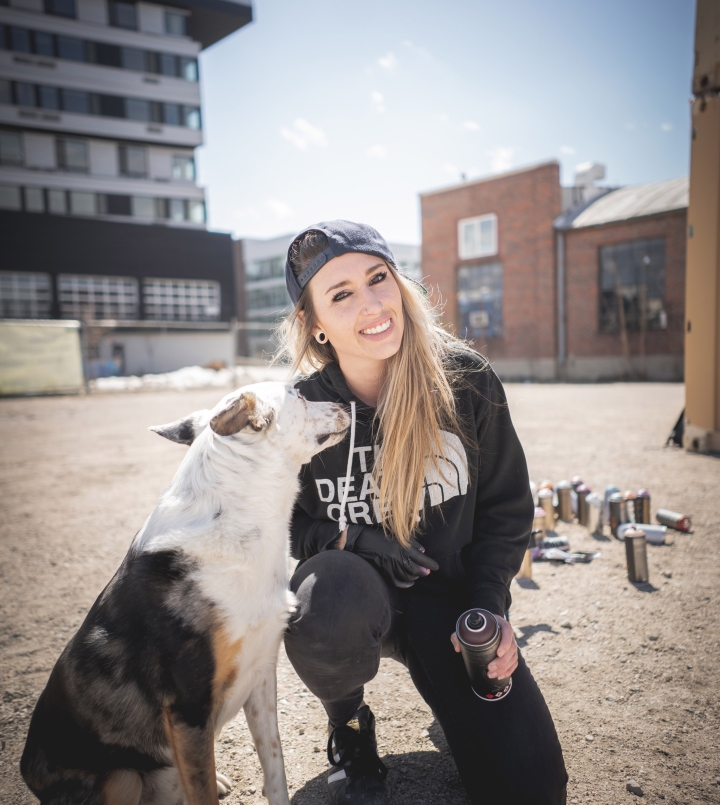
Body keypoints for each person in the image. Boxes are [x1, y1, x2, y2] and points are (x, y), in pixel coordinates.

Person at [278, 220, 568, 805]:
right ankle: (350, 727)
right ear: (316, 328)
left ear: (399, 282)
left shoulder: (463, 380)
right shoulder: (301, 410)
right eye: (341, 294)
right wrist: (358, 541)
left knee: (533, 789)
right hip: (355, 596)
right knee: (324, 595)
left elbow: (506, 508)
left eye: (378, 278)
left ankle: (456, 700)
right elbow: (289, 524)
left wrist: (489, 605)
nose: (372, 303)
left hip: (452, 603)